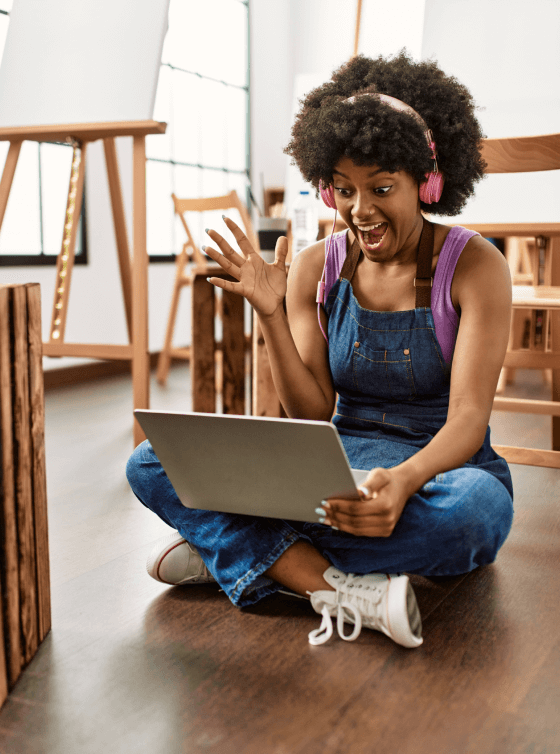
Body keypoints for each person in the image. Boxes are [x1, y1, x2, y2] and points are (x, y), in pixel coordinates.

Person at [127, 51, 514, 649]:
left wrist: (404, 482)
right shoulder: (317, 266)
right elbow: (310, 411)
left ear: (427, 182)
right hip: (335, 463)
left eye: (381, 187)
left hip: (438, 467)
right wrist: (273, 317)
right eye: (343, 189)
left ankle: (239, 551)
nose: (360, 210)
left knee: (478, 516)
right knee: (151, 463)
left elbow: (468, 419)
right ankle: (330, 587)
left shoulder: (474, 264)